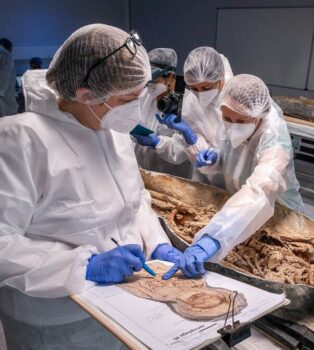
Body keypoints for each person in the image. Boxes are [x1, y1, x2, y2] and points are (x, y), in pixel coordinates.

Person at [0, 24, 184, 349]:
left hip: (126, 301)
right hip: (55, 320)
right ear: (86, 95)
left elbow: (134, 199)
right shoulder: (18, 142)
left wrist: (156, 243)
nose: (135, 108)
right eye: (128, 99)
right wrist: (84, 266)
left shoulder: (112, 127)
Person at [162, 74, 304, 280]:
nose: (232, 125)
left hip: (279, 216)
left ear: (258, 116)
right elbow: (230, 157)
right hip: (239, 214)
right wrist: (214, 158)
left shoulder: (274, 139)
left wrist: (213, 238)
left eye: (241, 121)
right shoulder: (231, 117)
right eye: (227, 119)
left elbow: (260, 189)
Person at [136, 47, 233, 175]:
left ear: (221, 81)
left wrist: (159, 142)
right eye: (193, 88)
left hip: (230, 174)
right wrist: (191, 138)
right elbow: (194, 146)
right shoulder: (191, 104)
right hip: (204, 174)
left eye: (206, 88)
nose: (199, 94)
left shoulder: (236, 99)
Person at [133, 47, 191, 177]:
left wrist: (157, 142)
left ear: (170, 76)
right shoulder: (144, 96)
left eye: (154, 80)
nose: (149, 85)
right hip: (144, 172)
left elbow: (183, 151)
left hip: (174, 177)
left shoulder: (187, 104)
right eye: (147, 81)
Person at [0, 38, 18, 117]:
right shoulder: (5, 54)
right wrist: (1, 91)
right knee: (9, 116)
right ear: (9, 47)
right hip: (5, 94)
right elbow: (5, 75)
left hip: (4, 92)